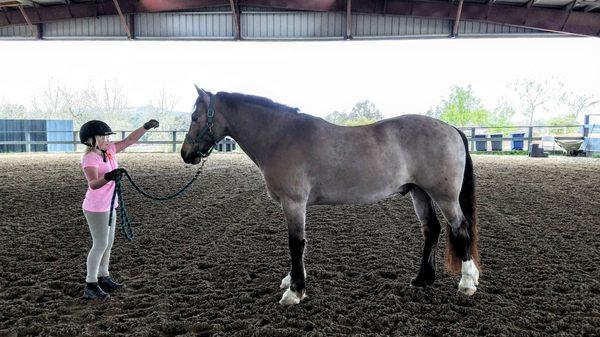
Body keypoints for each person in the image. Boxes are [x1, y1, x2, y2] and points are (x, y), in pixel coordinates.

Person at [79, 119, 159, 300]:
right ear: (91, 140)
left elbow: (130, 140)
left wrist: (145, 127)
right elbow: (92, 184)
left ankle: (103, 276)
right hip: (96, 207)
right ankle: (90, 283)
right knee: (100, 244)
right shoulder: (90, 158)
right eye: (103, 137)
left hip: (110, 204)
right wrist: (109, 177)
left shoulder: (109, 151)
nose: (107, 140)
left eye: (107, 137)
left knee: (108, 243)